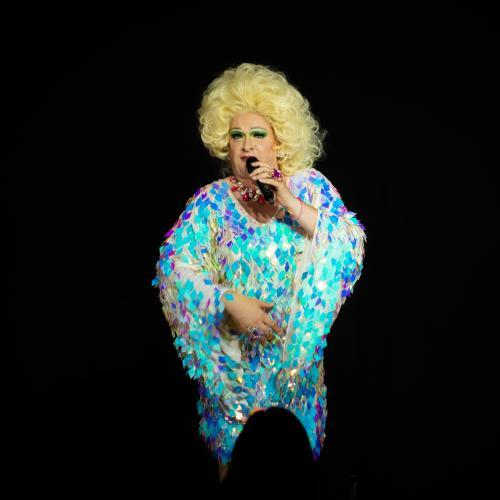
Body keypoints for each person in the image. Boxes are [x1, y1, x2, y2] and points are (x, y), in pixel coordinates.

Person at [151, 62, 366, 482]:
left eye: (258, 134)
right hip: (235, 387)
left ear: (278, 142)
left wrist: (289, 202)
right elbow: (173, 269)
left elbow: (348, 241)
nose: (247, 145)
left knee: (293, 479)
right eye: (237, 135)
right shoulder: (210, 203)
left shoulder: (308, 187)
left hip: (295, 383)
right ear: (226, 145)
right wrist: (230, 302)